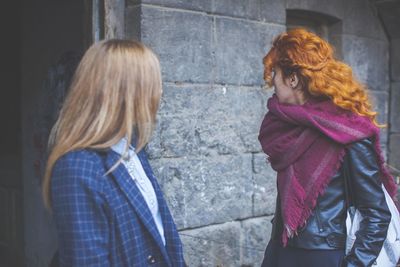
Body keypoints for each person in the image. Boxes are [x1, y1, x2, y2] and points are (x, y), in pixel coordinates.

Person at [258, 28, 397, 267]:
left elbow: (377, 214)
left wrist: (354, 264)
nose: (272, 83)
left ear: (293, 78)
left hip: (322, 256)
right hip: (280, 250)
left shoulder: (347, 132)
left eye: (275, 74)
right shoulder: (283, 128)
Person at [42, 39, 185, 267]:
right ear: (123, 90)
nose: (159, 90)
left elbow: (161, 232)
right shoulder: (77, 167)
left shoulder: (132, 148)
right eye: (151, 82)